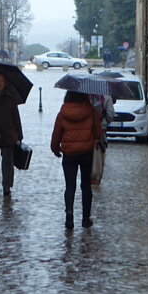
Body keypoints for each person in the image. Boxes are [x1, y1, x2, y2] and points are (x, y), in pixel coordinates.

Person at [51, 90, 102, 229]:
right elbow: (98, 133)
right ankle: (86, 218)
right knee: (86, 186)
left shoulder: (62, 113)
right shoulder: (91, 111)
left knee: (70, 186)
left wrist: (56, 150)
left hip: (69, 155)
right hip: (86, 153)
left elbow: (56, 136)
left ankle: (69, 216)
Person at [88, 93, 114, 185]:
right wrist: (104, 122)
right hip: (101, 129)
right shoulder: (106, 96)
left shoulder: (84, 95)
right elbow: (110, 114)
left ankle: (86, 176)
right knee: (99, 152)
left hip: (87, 129)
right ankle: (96, 176)